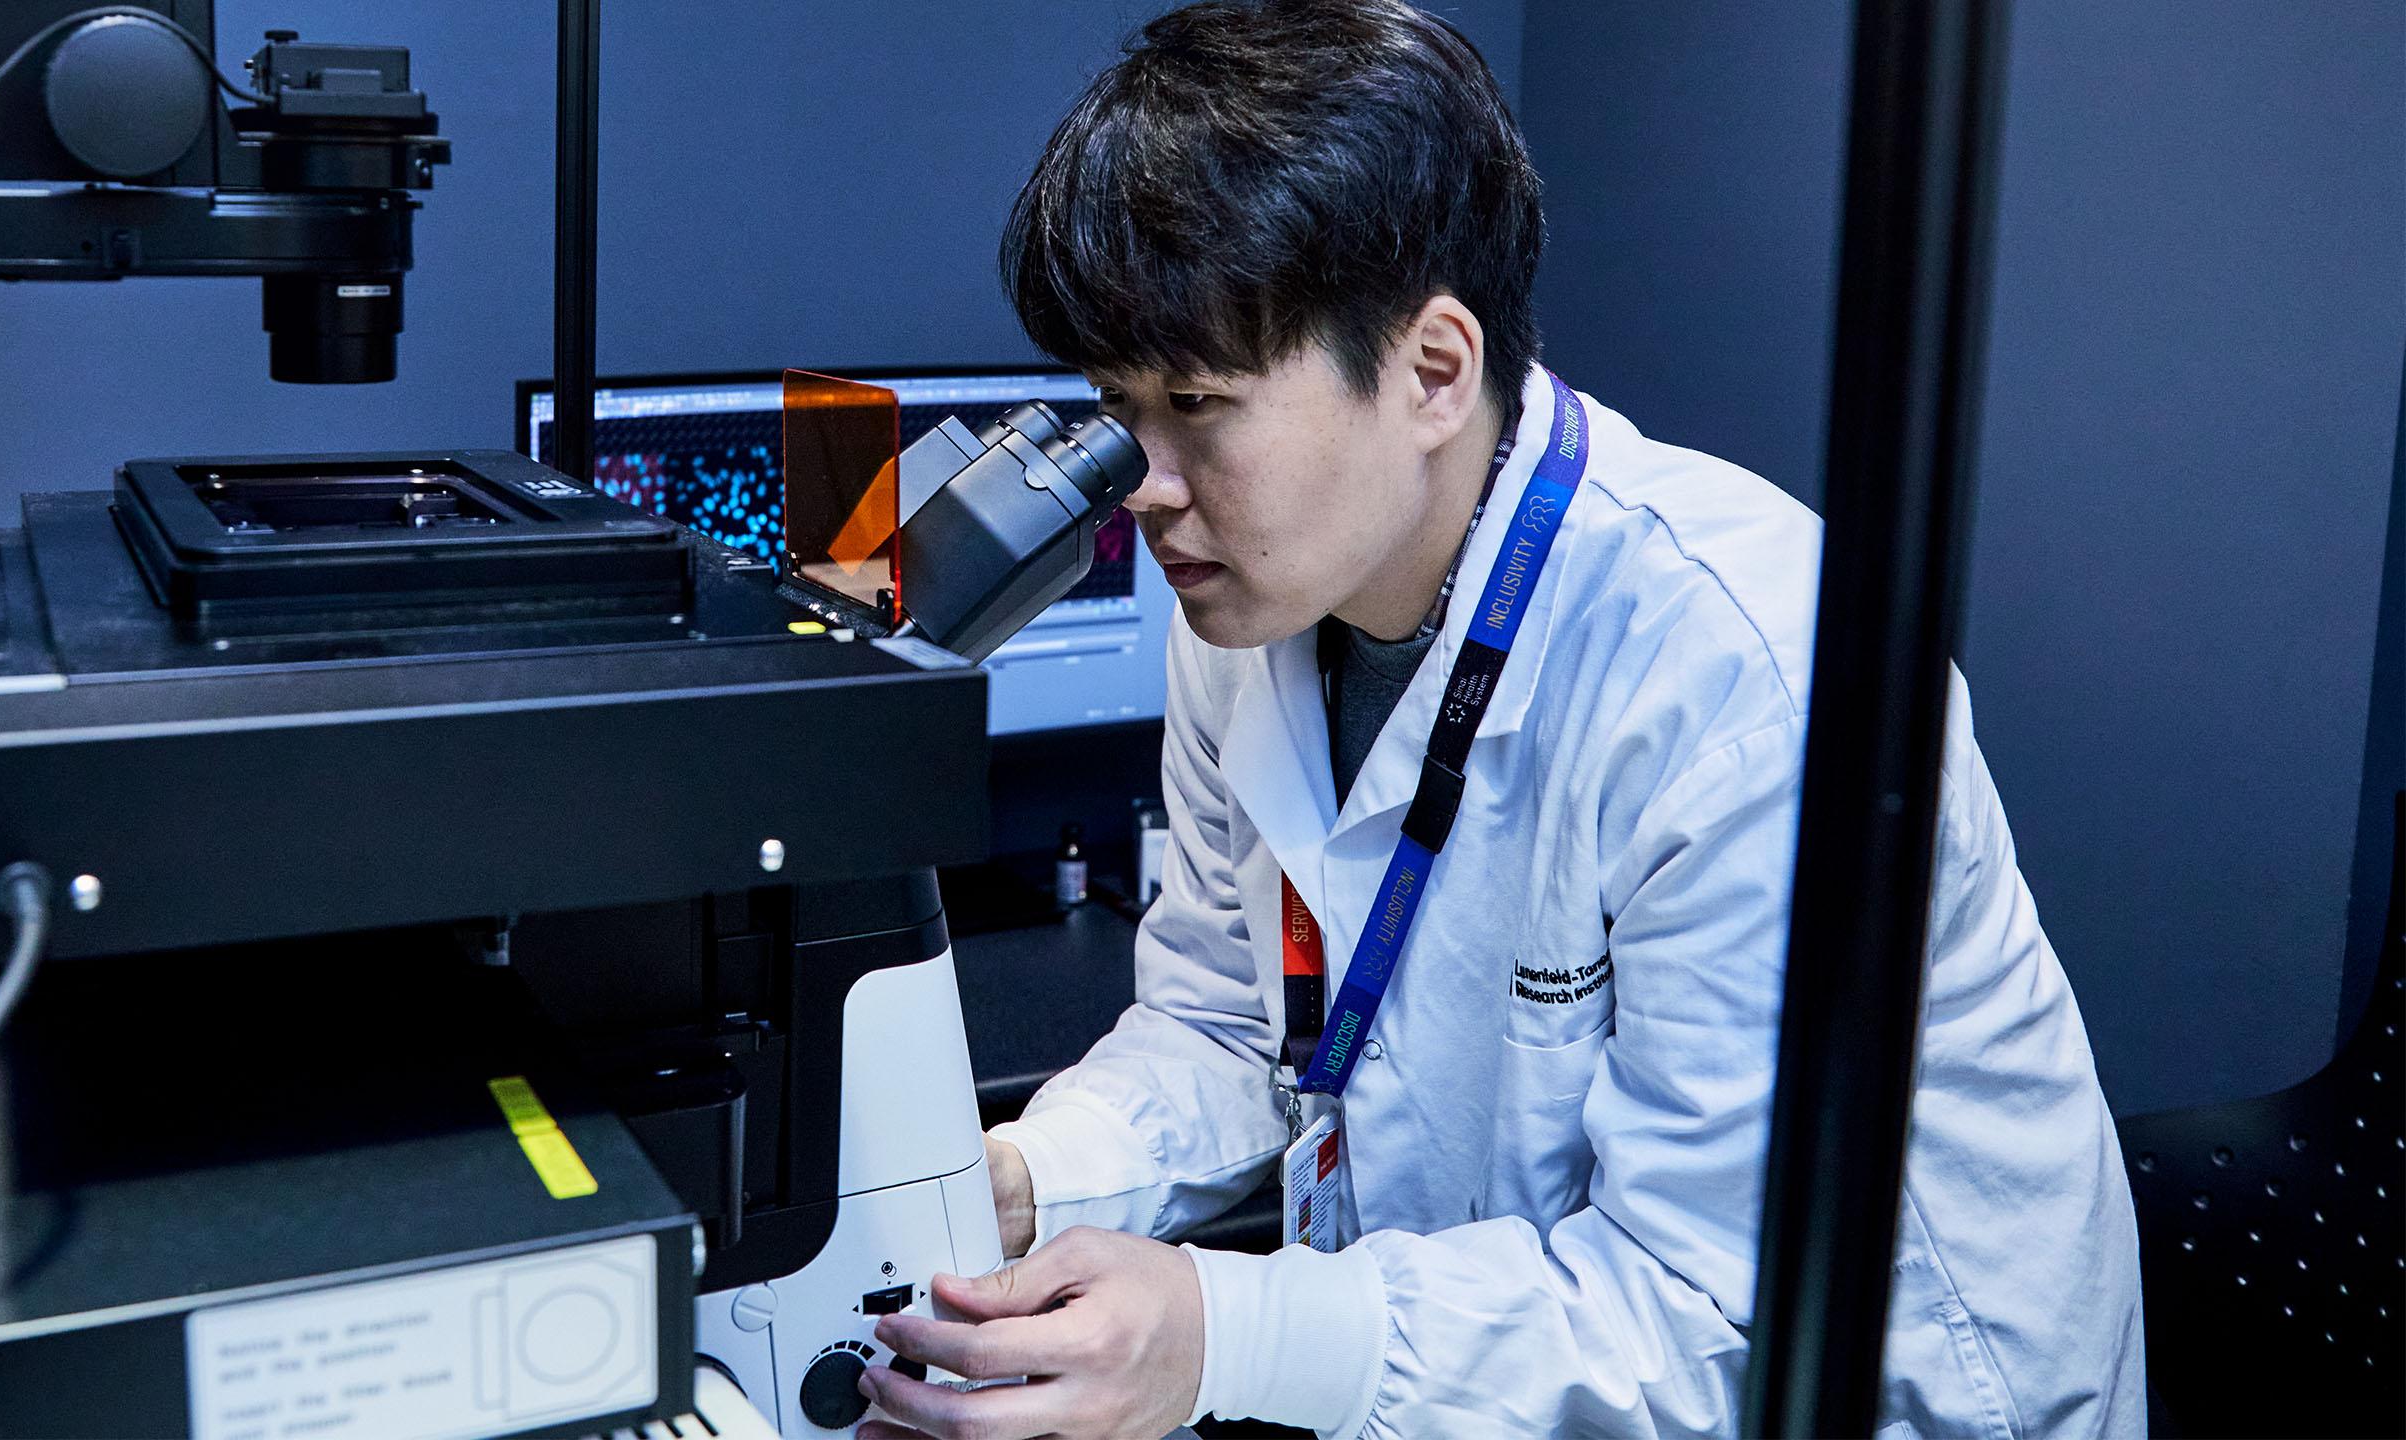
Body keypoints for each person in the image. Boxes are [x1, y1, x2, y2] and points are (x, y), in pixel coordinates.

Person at [859, 2, 2145, 1436]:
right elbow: (1235, 1027)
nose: (1140, 487)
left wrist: (1225, 1332)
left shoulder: (1746, 671)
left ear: (1431, 370)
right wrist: (1030, 1173)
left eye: (1198, 405)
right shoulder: (1245, 606)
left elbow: (1703, 1314)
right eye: (1113, 407)